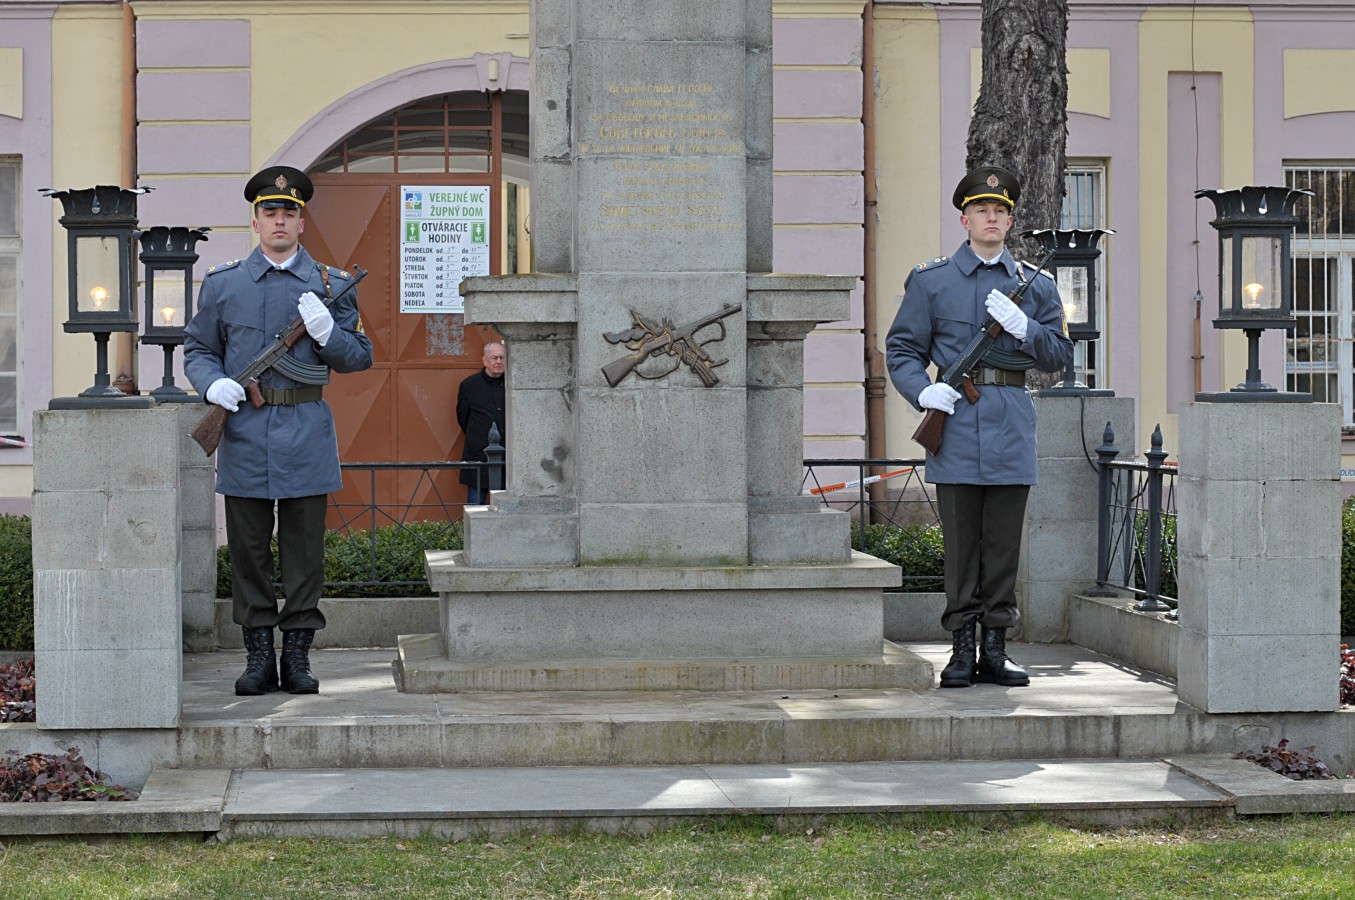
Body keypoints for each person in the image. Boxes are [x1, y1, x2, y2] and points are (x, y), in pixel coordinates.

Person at [184, 165, 373, 696]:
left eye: (289, 212)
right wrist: (213, 384)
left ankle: (297, 658)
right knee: (249, 552)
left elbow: (360, 357)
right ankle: (258, 658)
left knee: (304, 554)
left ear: (302, 222)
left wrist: (328, 333)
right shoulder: (224, 284)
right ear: (256, 221)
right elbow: (199, 349)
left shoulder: (332, 285)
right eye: (270, 212)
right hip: (245, 433)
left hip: (306, 433)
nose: (280, 221)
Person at [885, 165, 1073, 689]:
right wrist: (922, 392)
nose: (991, 218)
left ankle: (995, 649)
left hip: (1011, 424)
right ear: (964, 220)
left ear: (1010, 221)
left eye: (999, 211)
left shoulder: (1035, 285)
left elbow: (1059, 355)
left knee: (1003, 549)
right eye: (981, 210)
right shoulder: (932, 281)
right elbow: (902, 349)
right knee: (963, 547)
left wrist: (1026, 327)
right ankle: (961, 650)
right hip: (956, 426)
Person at [455, 341, 507, 505]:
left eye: (502, 358)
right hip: (478, 454)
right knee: (475, 505)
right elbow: (463, 417)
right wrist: (478, 435)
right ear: (485, 361)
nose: (498, 362)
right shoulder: (469, 385)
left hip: (508, 456)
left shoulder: (514, 383)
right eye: (494, 358)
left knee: (506, 505)